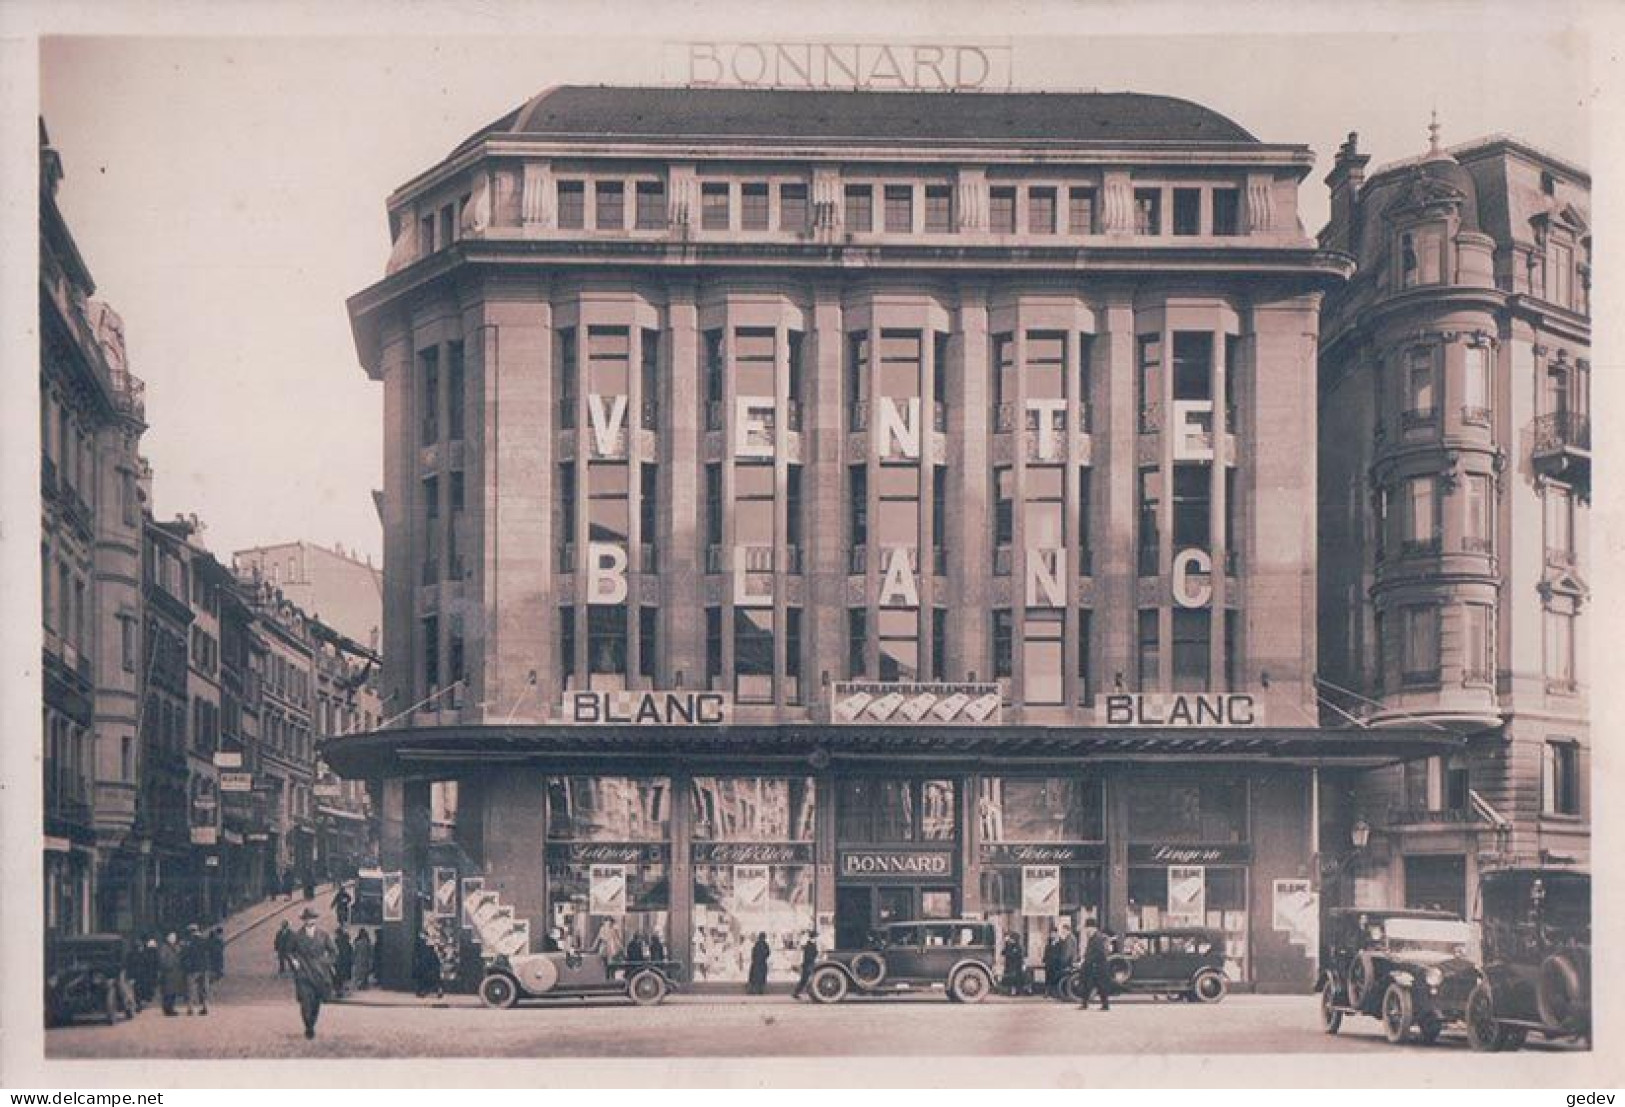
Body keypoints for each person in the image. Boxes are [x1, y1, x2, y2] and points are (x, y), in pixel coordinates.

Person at [287, 907, 336, 1039]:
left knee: (315, 1003)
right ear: (304, 920)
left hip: (319, 974)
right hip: (303, 973)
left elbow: (333, 952)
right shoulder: (297, 936)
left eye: (312, 918)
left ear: (315, 919)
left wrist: (325, 962)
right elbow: (289, 952)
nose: (310, 921)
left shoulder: (323, 935)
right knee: (306, 1002)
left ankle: (312, 1023)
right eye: (307, 918)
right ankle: (308, 1025)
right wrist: (294, 961)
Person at [1076, 918, 1111, 1012]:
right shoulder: (1092, 937)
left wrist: (1087, 960)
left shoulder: (1097, 938)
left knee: (1101, 987)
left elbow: (1100, 953)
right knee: (1088, 985)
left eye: (1087, 928)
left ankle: (1105, 1005)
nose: (1086, 930)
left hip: (1098, 967)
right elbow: (1090, 952)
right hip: (1093, 966)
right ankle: (1085, 1004)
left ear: (1091, 928)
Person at [182, 924, 210, 1015]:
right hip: (204, 967)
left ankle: (190, 1008)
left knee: (191, 988)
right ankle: (205, 1007)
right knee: (203, 988)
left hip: (193, 968)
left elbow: (185, 954)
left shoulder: (189, 942)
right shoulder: (204, 940)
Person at [157, 932, 186, 1016]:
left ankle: (171, 1008)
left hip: (175, 973)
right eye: (171, 938)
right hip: (168, 973)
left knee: (173, 992)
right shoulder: (164, 947)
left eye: (174, 938)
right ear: (168, 939)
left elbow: (180, 956)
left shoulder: (176, 947)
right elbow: (162, 960)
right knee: (167, 992)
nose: (173, 940)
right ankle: (167, 1009)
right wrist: (169, 965)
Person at [413, 929, 443, 998]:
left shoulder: (422, 943)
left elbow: (417, 953)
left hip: (426, 964)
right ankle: (433, 990)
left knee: (425, 978)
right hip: (428, 964)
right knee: (431, 978)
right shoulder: (425, 943)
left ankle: (423, 991)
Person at [792, 930, 819, 1000]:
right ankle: (797, 993)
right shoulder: (811, 945)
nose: (817, 938)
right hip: (808, 964)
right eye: (816, 937)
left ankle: (797, 992)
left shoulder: (809, 944)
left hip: (808, 964)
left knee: (805, 979)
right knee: (805, 979)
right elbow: (809, 956)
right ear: (814, 937)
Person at [132, 936, 159, 1009]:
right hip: (141, 975)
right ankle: (140, 1003)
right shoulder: (142, 954)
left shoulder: (143, 954)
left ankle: (140, 1003)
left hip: (143, 975)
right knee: (139, 990)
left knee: (140, 990)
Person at [1001, 931, 1026, 996]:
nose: (1010, 940)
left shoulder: (1017, 946)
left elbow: (1017, 956)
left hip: (1016, 965)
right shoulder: (1009, 945)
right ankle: (1012, 991)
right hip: (1009, 964)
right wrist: (1006, 944)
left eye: (1011, 939)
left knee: (1014, 979)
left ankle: (1015, 991)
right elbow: (1003, 952)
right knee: (1010, 978)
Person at [1042, 931, 1064, 998]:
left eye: (1053, 933)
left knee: (1055, 978)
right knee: (1048, 978)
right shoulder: (1049, 942)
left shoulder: (1061, 942)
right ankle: (1047, 992)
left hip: (1056, 963)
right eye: (1051, 934)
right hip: (1049, 963)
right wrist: (1044, 959)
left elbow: (1061, 953)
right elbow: (1046, 951)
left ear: (1056, 934)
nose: (1052, 935)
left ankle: (1055, 993)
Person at [333, 928, 354, 998]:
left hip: (339, 962)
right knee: (345, 977)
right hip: (346, 962)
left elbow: (334, 952)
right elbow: (351, 952)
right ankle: (344, 991)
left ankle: (339, 992)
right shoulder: (347, 943)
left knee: (338, 977)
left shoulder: (337, 942)